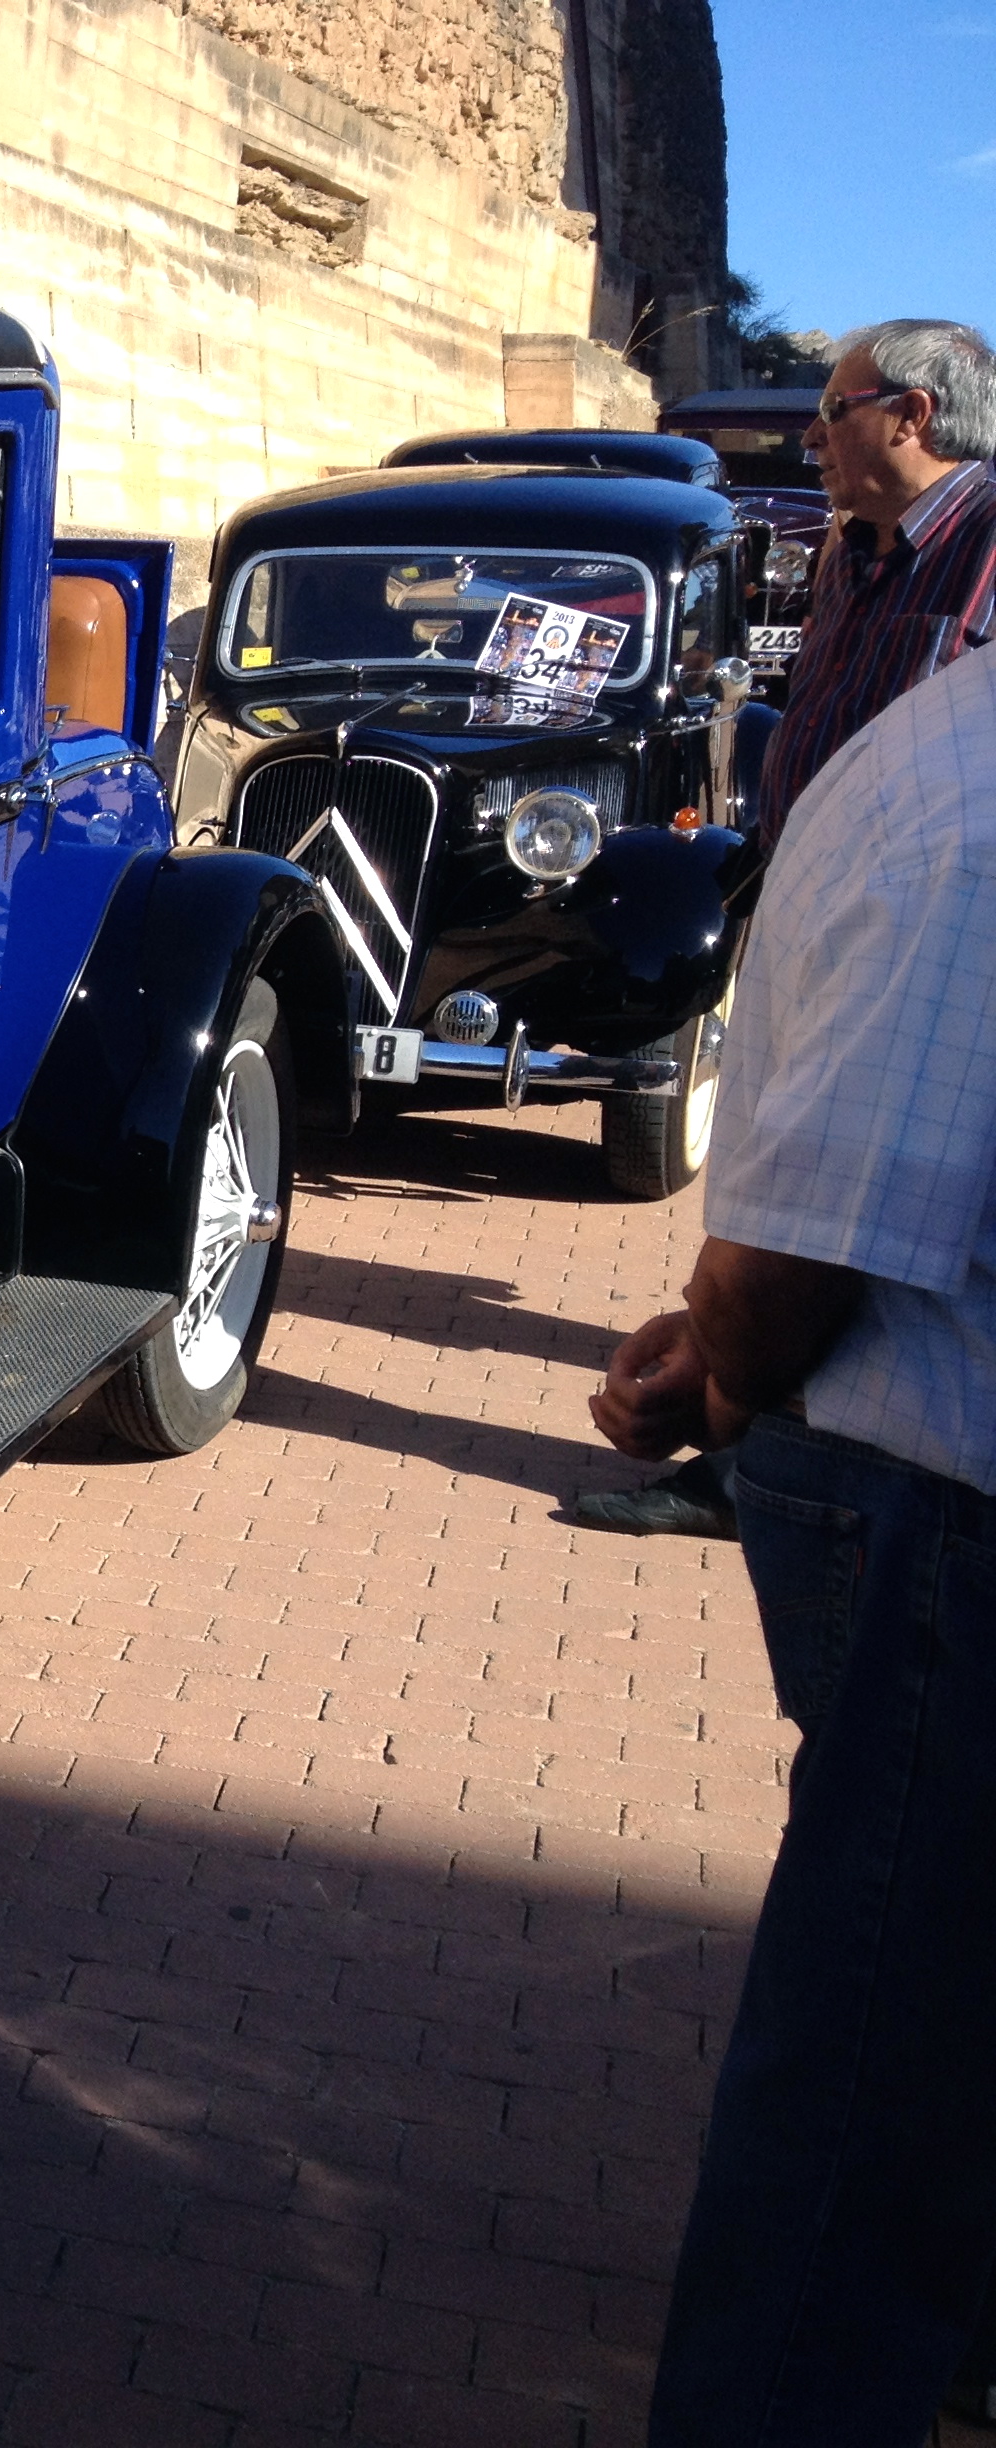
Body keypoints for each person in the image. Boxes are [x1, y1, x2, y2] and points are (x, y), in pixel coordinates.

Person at [589, 641, 996, 2444]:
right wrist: (726, 1357)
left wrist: (722, 1347)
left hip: (920, 1479)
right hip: (935, 1512)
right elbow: (803, 1256)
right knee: (868, 2099)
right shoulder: (974, 818)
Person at [577, 318, 996, 1542]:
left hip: (911, 932)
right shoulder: (851, 553)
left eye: (832, 412)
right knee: (768, 1161)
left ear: (913, 417)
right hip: (813, 899)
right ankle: (754, 1437)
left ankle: (754, 1441)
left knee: (830, 1211)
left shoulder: (985, 544)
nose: (810, 440)